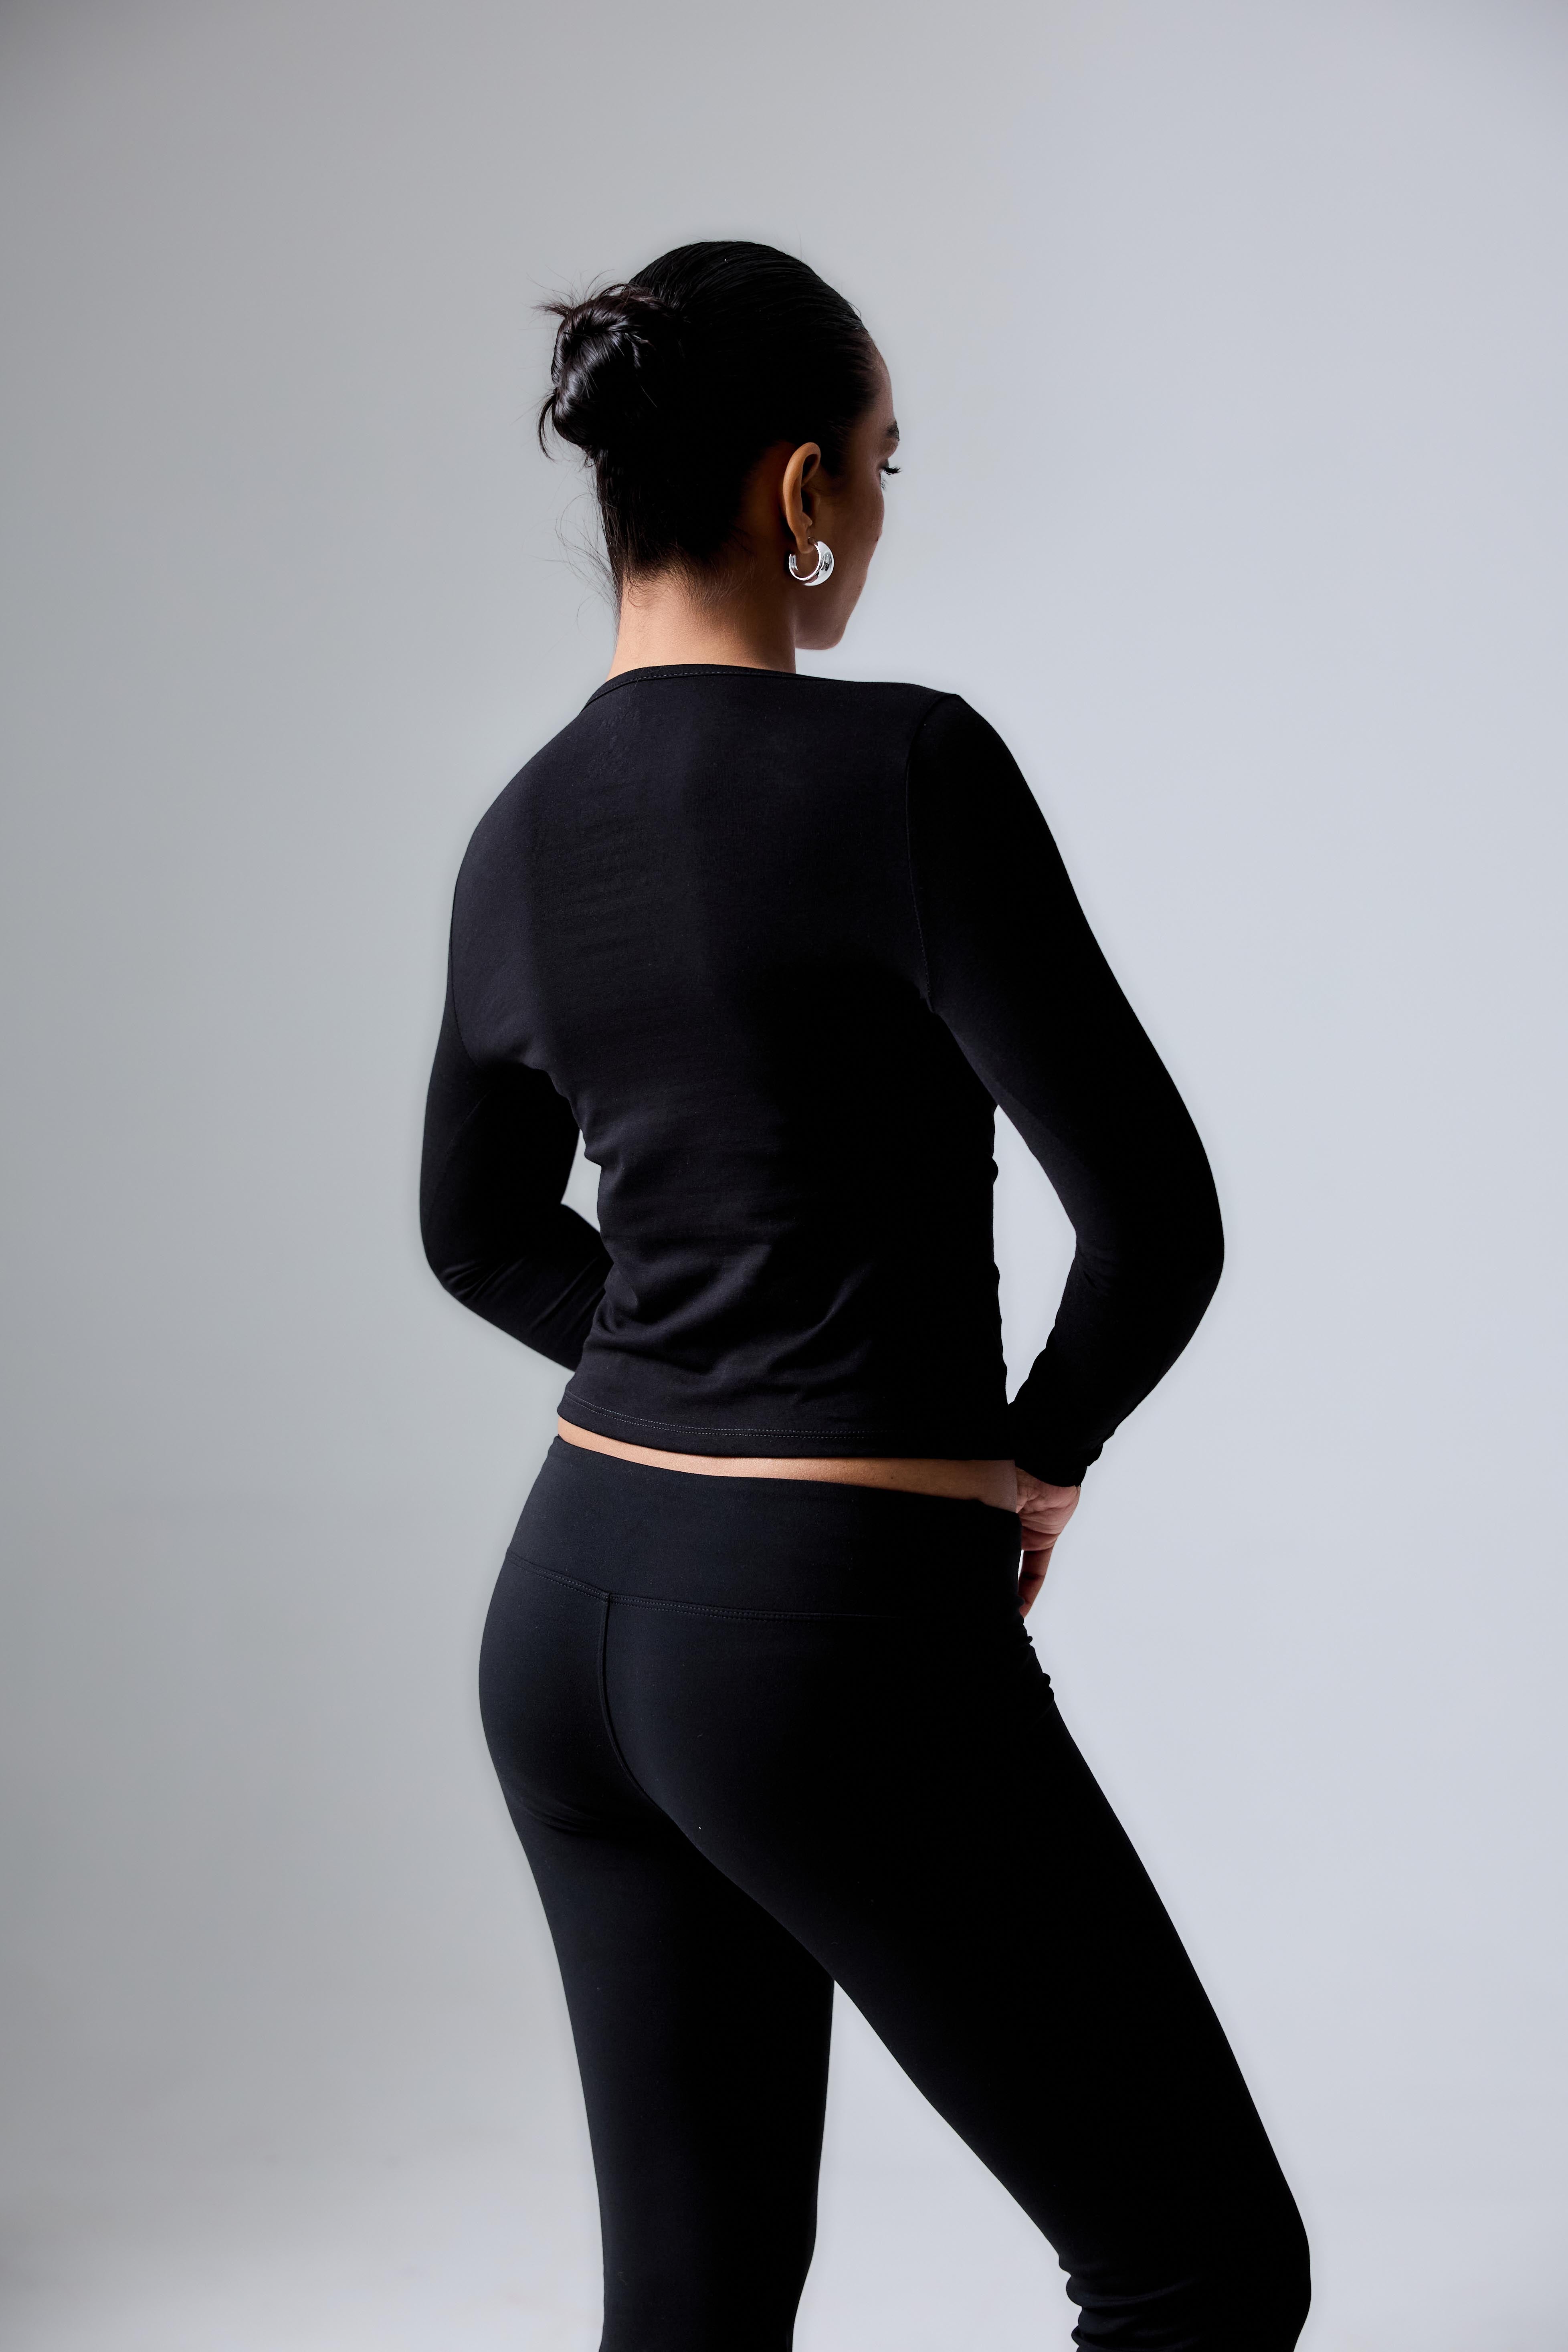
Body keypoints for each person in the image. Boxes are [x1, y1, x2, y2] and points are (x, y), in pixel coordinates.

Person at [420, 239, 1309, 2352]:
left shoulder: (518, 828)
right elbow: (1157, 1222)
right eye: (885, 464)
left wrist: (705, 1368)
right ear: (803, 489)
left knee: (695, 2311)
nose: (882, 511)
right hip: (822, 1638)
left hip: (564, 1624)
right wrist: (1034, 1461)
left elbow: (477, 1233)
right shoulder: (900, 768)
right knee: (1200, 2273)